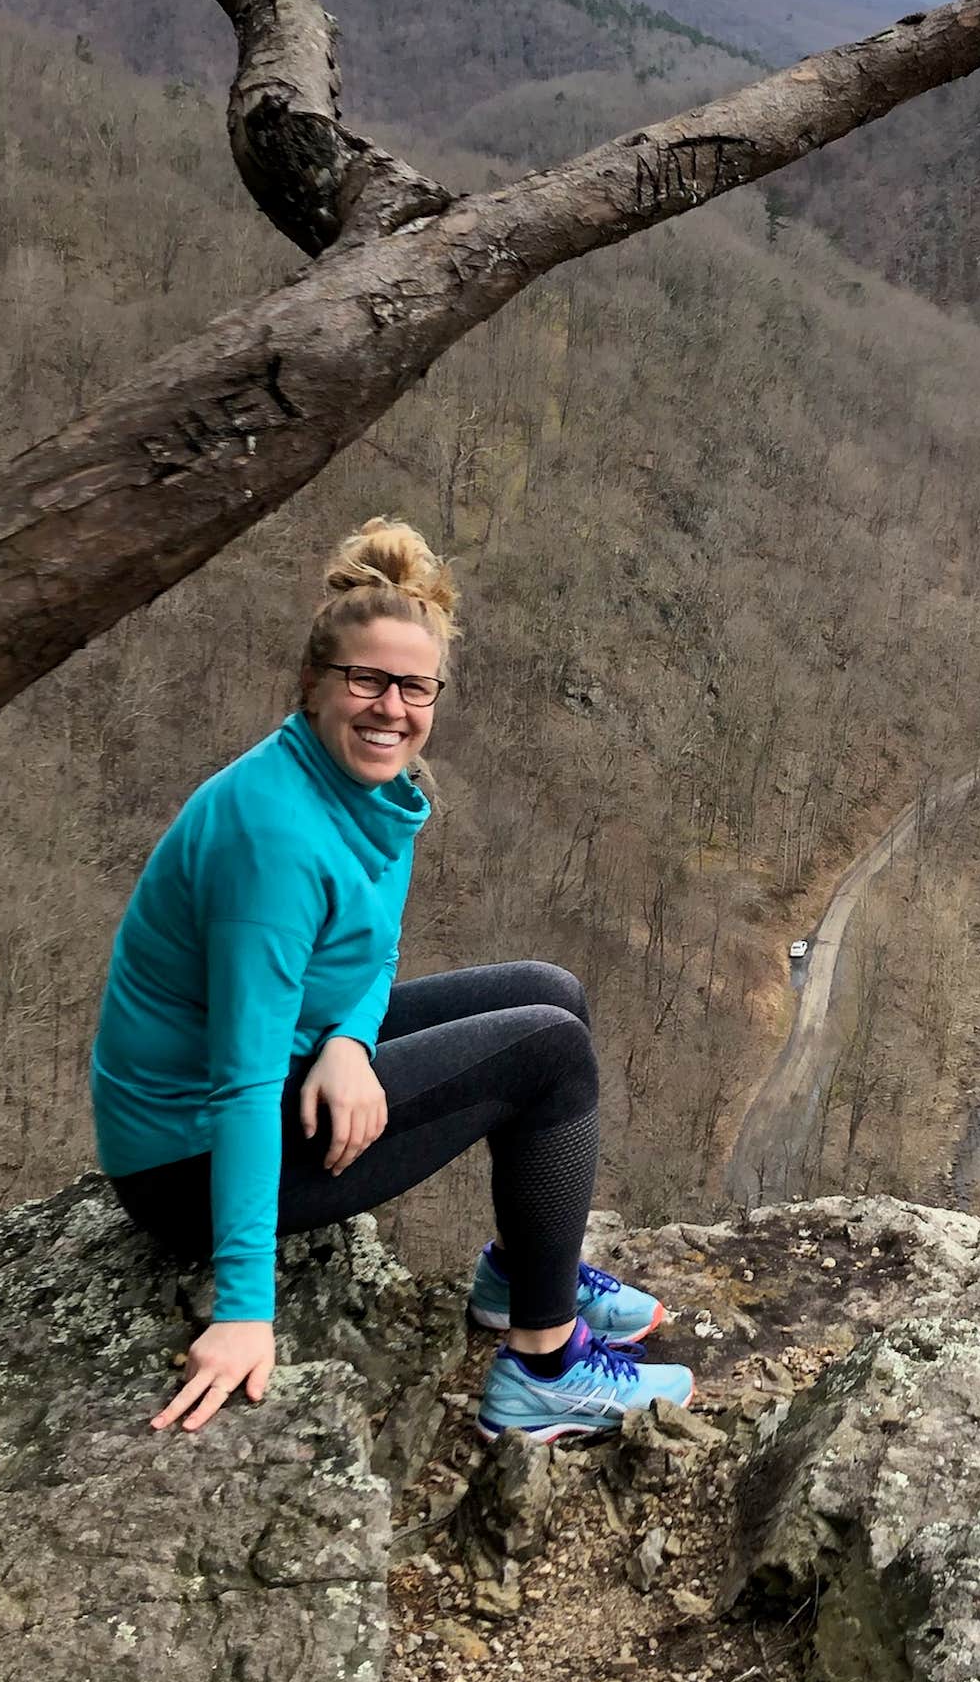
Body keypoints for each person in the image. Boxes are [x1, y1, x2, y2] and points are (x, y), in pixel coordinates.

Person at [90, 516, 692, 1442]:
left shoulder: (373, 793)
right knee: (548, 1052)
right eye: (366, 681)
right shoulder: (274, 837)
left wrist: (347, 1041)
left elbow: (370, 957)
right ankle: (541, 1366)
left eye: (416, 688)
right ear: (313, 685)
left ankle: (520, 1275)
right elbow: (243, 1081)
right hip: (189, 1163)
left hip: (291, 1065)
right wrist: (245, 1307)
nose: (391, 708)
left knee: (551, 989)